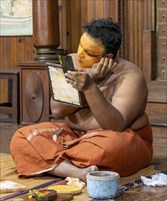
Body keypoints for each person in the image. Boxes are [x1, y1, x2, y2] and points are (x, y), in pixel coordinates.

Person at [10, 18, 153, 182]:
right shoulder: (71, 61)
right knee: (21, 138)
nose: (79, 54)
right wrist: (90, 77)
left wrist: (90, 87)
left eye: (89, 53)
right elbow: (57, 110)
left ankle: (52, 160)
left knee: (109, 150)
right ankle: (78, 172)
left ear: (107, 57)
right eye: (80, 45)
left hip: (117, 139)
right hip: (74, 136)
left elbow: (115, 125)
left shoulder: (130, 77)